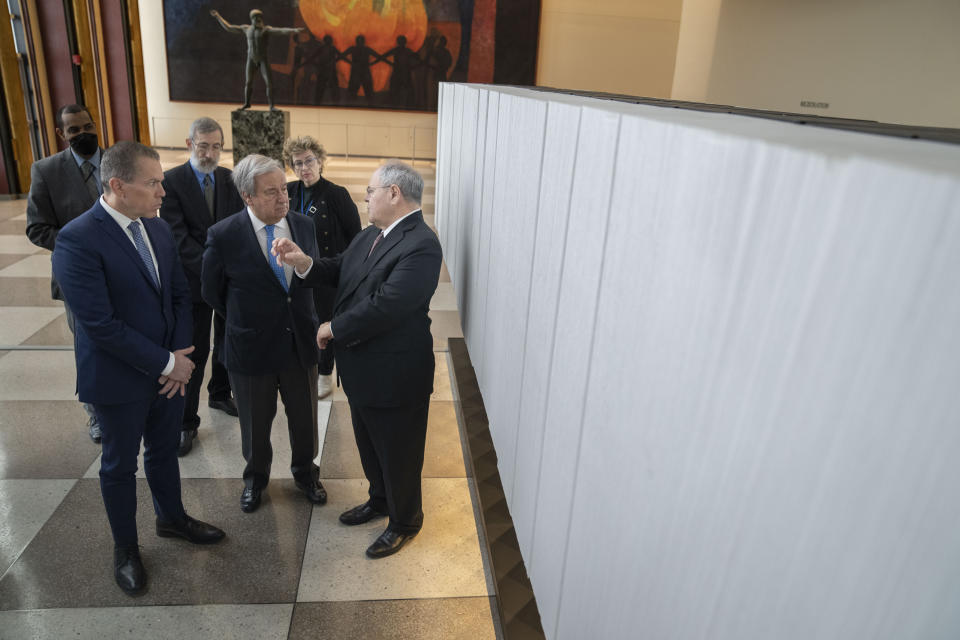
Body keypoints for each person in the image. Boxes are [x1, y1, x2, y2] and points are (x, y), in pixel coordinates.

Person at [51, 141, 226, 596]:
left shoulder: (157, 227)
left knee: (164, 451)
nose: (162, 191)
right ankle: (126, 547)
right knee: (119, 466)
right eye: (152, 183)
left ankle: (171, 518)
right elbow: (101, 326)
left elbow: (180, 295)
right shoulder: (76, 239)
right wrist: (168, 362)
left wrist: (181, 356)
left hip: (169, 373)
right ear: (117, 186)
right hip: (118, 379)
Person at [272, 161, 441, 558]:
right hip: (364, 368)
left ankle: (404, 521)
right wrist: (303, 262)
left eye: (370, 190)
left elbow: (389, 306)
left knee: (399, 451)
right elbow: (340, 269)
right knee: (369, 443)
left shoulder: (422, 243)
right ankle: (379, 499)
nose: (365, 197)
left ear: (394, 193)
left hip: (397, 373)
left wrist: (334, 327)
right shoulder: (371, 235)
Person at [201, 154, 327, 513]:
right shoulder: (223, 235)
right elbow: (211, 292)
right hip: (251, 346)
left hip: (298, 342)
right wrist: (247, 318)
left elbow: (313, 276)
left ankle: (306, 474)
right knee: (255, 424)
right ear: (247, 196)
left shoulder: (303, 226)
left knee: (304, 418)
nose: (283, 198)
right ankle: (255, 480)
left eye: (284, 189)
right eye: (271, 192)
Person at [160, 117, 245, 456]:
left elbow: (238, 227)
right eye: (203, 145)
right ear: (188, 144)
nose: (209, 153)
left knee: (227, 341)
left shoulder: (230, 179)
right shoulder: (171, 182)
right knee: (193, 350)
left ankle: (220, 393)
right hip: (192, 283)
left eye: (216, 146)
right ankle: (185, 422)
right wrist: (217, 271)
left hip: (227, 283)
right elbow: (178, 239)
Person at [25, 104, 104, 444]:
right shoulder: (46, 171)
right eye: (74, 130)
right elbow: (37, 228)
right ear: (62, 134)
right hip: (77, 276)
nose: (83, 133)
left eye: (87, 125)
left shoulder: (118, 159)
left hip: (126, 273)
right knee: (88, 346)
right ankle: (96, 414)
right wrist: (80, 245)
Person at [283, 136, 361, 398]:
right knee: (301, 318)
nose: (304, 167)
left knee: (325, 319)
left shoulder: (336, 194)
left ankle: (326, 373)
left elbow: (355, 236)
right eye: (298, 163)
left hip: (327, 270)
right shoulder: (289, 191)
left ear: (320, 161)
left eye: (309, 161)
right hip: (296, 269)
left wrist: (348, 274)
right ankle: (304, 364)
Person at [210, 8, 304, 111]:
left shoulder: (266, 29)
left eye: (259, 17)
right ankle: (247, 103)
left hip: (263, 59)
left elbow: (281, 30)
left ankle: (272, 106)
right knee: (248, 82)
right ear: (252, 18)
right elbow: (229, 27)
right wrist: (218, 17)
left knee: (269, 82)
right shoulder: (246, 29)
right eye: (255, 17)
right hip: (251, 59)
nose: (258, 19)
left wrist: (294, 30)